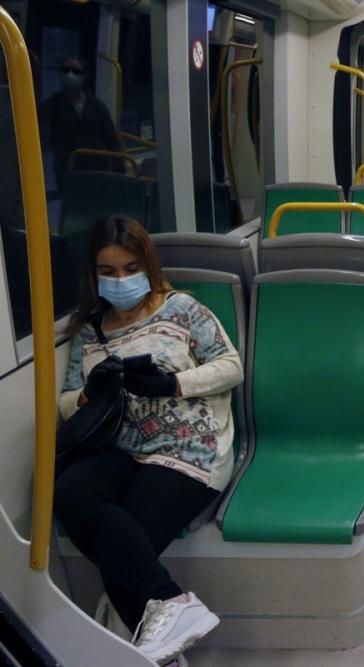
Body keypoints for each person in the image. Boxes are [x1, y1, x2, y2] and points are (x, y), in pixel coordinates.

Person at [54, 217, 242, 665]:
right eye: (109, 271)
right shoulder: (88, 330)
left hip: (188, 448)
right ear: (93, 275)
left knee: (123, 536)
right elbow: (65, 401)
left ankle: (145, 648)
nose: (120, 280)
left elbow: (230, 364)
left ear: (148, 266)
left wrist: (172, 385)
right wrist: (88, 392)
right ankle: (171, 605)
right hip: (122, 448)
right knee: (69, 493)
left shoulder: (183, 309)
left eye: (130, 268)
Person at [38, 57, 124, 189]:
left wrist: (119, 170)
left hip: (97, 169)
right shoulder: (53, 105)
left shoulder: (96, 106)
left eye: (75, 71)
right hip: (68, 170)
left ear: (84, 76)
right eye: (66, 70)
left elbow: (111, 138)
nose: (70, 75)